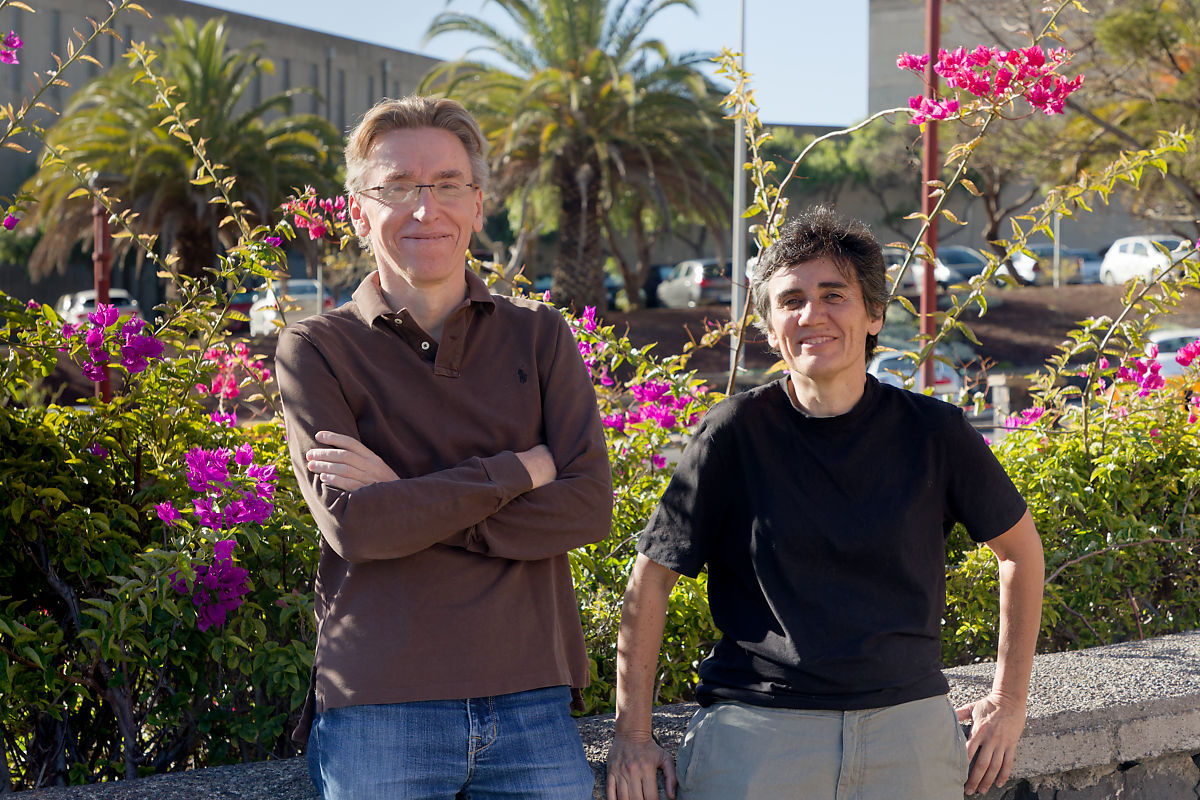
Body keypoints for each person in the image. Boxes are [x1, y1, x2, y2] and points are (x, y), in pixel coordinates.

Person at [605, 206, 1044, 800]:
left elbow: (1020, 550)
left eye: (834, 295)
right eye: (791, 300)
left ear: (874, 314)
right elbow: (650, 579)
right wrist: (632, 734)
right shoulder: (731, 434)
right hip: (757, 739)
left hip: (907, 739)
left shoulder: (934, 433)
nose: (812, 314)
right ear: (768, 325)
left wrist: (1009, 702)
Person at [276, 95, 612, 799]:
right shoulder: (315, 348)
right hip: (378, 707)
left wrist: (406, 496)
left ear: (479, 203)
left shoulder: (541, 336)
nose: (425, 208)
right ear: (357, 209)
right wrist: (521, 469)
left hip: (533, 702)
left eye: (447, 184)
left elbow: (585, 508)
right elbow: (358, 525)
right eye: (397, 187)